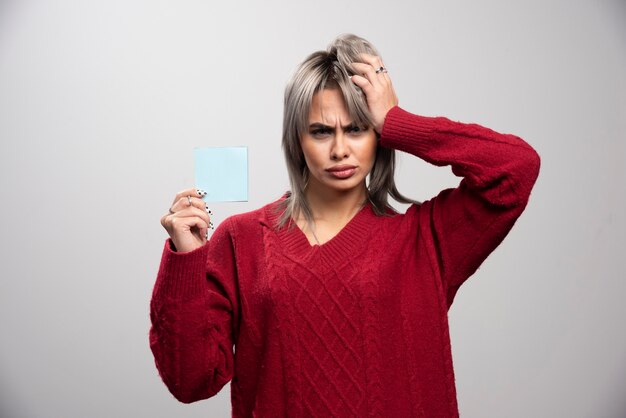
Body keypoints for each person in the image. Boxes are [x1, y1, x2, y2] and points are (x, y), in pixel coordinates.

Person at [149, 34, 540, 417]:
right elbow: (190, 381)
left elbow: (515, 167)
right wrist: (187, 260)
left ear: (378, 136)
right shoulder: (242, 239)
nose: (339, 149)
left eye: (356, 128)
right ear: (297, 139)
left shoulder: (425, 239)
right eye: (321, 131)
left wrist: (397, 120)